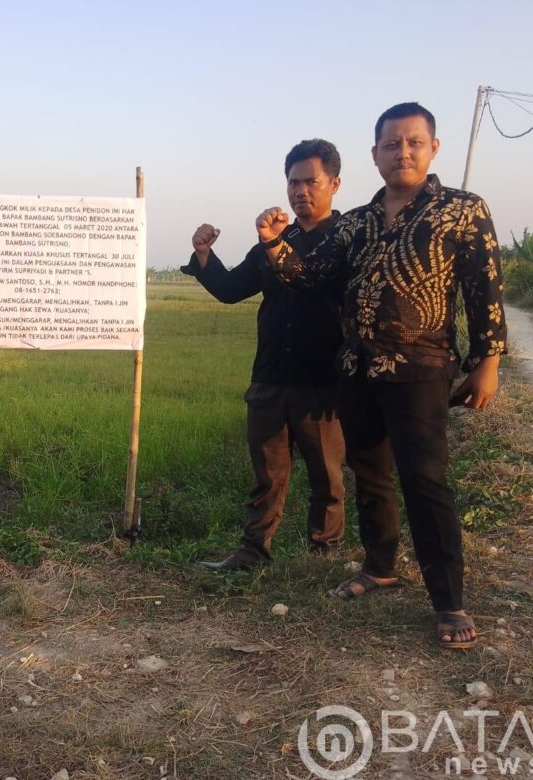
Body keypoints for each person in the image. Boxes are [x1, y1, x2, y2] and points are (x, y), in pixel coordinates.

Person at [258, 103, 506, 650]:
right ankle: (379, 566)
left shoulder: (460, 211)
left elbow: (484, 288)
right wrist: (276, 243)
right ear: (375, 155)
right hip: (357, 368)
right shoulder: (356, 223)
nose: (403, 153)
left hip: (422, 367)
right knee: (369, 472)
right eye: (392, 145)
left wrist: (487, 360)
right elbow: (311, 277)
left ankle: (448, 600)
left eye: (414, 142)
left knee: (425, 479)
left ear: (432, 148)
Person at [185, 139, 347, 571]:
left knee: (326, 476)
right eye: (293, 182)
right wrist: (204, 255)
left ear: (334, 183)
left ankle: (324, 557)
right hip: (272, 376)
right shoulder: (276, 239)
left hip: (323, 381)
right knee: (267, 476)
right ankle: (253, 552)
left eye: (310, 181)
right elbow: (231, 289)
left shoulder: (349, 239)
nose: (300, 191)